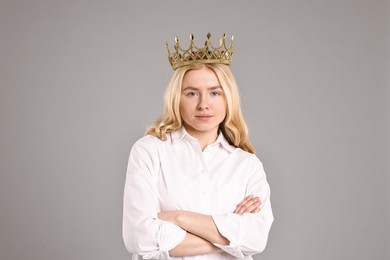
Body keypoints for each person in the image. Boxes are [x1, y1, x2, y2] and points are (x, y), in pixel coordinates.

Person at [122, 33, 274, 259]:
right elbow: (139, 238)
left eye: (215, 92)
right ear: (177, 98)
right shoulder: (150, 151)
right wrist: (231, 238)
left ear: (227, 98)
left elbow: (257, 238)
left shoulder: (247, 165)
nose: (204, 104)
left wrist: (179, 218)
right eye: (192, 93)